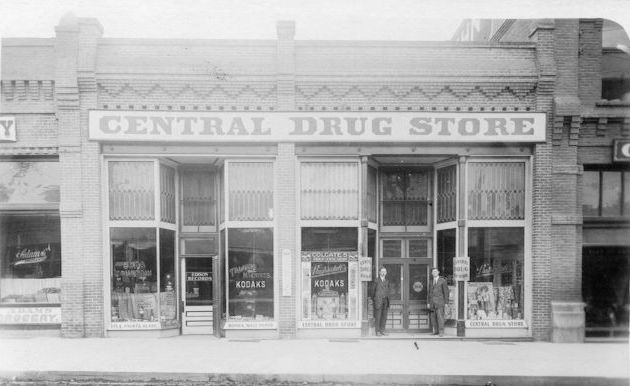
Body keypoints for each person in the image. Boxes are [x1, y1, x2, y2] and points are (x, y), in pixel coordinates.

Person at [428, 267, 449, 337]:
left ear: (438, 272)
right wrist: (428, 302)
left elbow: (446, 292)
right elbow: (429, 293)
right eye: (433, 272)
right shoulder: (431, 281)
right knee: (433, 318)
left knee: (440, 318)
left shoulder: (442, 280)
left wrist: (446, 302)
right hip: (432, 303)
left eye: (435, 272)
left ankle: (441, 332)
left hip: (440, 302)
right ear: (432, 273)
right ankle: (436, 331)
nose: (434, 273)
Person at [370, 266, 391, 336]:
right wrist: (375, 299)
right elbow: (372, 292)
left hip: (385, 301)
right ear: (379, 272)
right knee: (378, 317)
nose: (383, 273)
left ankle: (382, 330)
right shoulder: (376, 280)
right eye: (382, 271)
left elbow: (388, 291)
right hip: (378, 301)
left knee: (384, 317)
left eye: (384, 272)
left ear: (386, 273)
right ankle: (377, 331)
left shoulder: (387, 281)